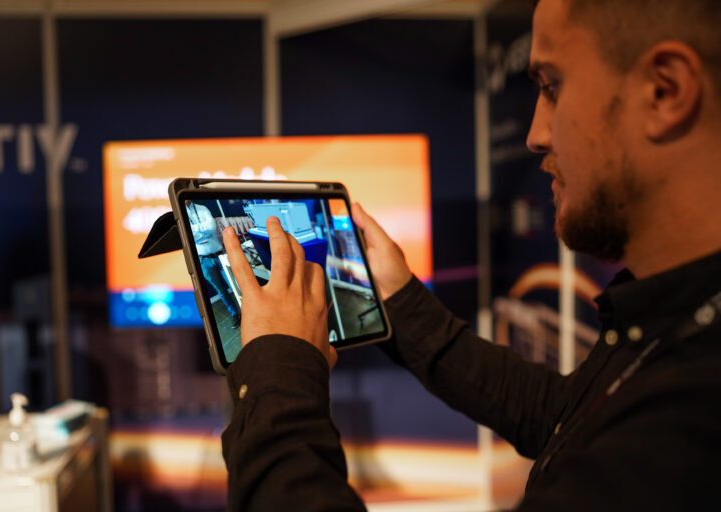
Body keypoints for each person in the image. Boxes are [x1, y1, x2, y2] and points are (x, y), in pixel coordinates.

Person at [219, 0, 721, 509]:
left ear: (665, 90)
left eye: (552, 86)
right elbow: (560, 417)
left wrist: (278, 368)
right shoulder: (675, 327)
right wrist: (398, 301)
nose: (534, 135)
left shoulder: (691, 422)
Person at [185, 200, 241, 328]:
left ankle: (247, 308)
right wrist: (202, 230)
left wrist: (195, 230)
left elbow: (212, 227)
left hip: (219, 255)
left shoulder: (202, 208)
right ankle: (234, 314)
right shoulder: (179, 214)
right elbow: (188, 236)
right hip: (203, 260)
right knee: (221, 291)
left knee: (235, 284)